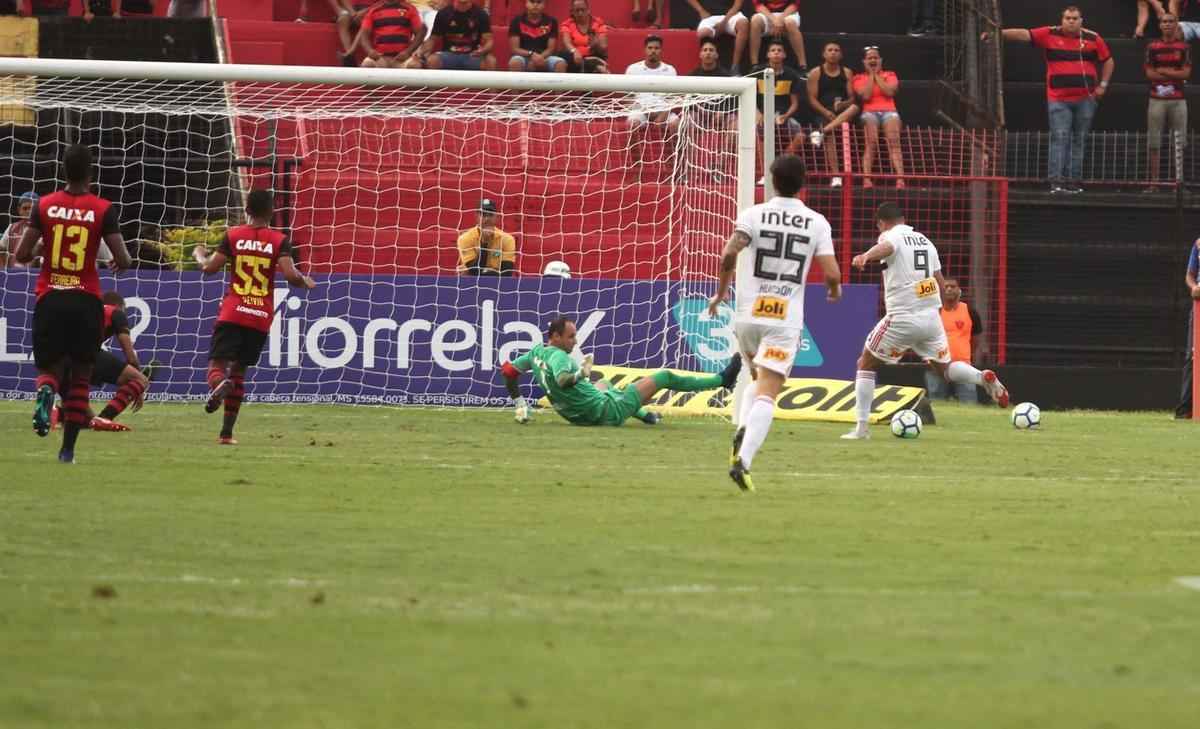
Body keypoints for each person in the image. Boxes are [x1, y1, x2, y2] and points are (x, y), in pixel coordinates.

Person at [707, 154, 841, 491]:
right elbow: (832, 273)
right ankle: (745, 459)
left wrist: (721, 294)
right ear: (804, 183)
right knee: (769, 389)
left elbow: (728, 254)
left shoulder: (753, 214)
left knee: (756, 378)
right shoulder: (816, 222)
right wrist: (834, 289)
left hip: (748, 315)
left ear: (771, 180)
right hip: (784, 318)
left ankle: (742, 428)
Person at [841, 203, 1009, 440]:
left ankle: (861, 429)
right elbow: (940, 282)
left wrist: (866, 256)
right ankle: (981, 378)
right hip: (931, 317)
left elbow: (887, 247)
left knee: (865, 364)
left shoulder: (891, 235)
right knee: (945, 369)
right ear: (904, 218)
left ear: (882, 222)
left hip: (902, 316)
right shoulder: (925, 241)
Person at [13, 144, 133, 463]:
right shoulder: (103, 208)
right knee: (81, 375)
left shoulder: (45, 205)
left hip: (51, 297)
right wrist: (117, 262)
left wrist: (44, 251)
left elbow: (21, 255)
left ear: (63, 171)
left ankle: (44, 391)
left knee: (49, 368)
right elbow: (123, 258)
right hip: (86, 301)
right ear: (90, 172)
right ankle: (67, 451)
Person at [193, 189, 316, 445]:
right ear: (271, 211)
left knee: (217, 366)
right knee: (240, 370)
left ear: (247, 210)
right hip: (259, 316)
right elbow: (291, 277)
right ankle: (226, 434)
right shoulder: (279, 240)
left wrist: (198, 254)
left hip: (233, 311)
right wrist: (304, 281)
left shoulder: (234, 236)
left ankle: (219, 384)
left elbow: (209, 269)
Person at [501, 316, 742, 427]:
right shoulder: (559, 356)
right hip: (604, 412)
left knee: (603, 383)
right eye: (570, 336)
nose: (574, 341)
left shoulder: (534, 353)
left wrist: (520, 403)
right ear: (554, 337)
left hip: (575, 416)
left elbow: (509, 372)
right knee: (664, 377)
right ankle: (722, 379)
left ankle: (645, 415)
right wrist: (580, 375)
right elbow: (564, 381)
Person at [989, 6, 1113, 194]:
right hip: (1059, 100)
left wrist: (1103, 85)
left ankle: (1074, 182)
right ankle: (1056, 182)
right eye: (1068, 18)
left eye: (1075, 18)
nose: (1071, 21)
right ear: (1062, 20)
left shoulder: (1093, 38)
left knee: (1079, 140)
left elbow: (1109, 60)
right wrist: (997, 34)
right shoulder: (1049, 33)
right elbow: (1023, 34)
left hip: (1086, 99)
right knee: (1060, 139)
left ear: (1081, 21)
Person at [54, 290, 151, 432]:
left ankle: (59, 413)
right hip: (84, 352)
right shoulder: (115, 312)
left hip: (58, 360)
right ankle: (105, 418)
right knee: (141, 380)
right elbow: (130, 356)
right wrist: (139, 385)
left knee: (86, 420)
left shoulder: (85, 311)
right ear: (120, 306)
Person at [794, 41, 858, 188]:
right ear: (824, 54)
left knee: (854, 108)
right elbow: (812, 98)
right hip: (822, 111)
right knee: (831, 136)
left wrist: (843, 104)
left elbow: (852, 98)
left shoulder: (847, 72)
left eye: (836, 50)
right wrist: (826, 112)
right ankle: (836, 176)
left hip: (842, 110)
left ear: (841, 55)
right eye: (830, 50)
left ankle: (821, 132)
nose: (833, 52)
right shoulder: (816, 72)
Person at [1145, 13, 1190, 187]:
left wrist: (1163, 71)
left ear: (1176, 24)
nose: (1167, 24)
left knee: (1179, 142)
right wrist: (1174, 73)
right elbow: (1149, 73)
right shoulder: (1152, 47)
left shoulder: (1184, 47)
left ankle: (1177, 183)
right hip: (1156, 100)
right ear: (1160, 25)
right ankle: (1154, 183)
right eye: (1164, 21)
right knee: (1154, 142)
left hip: (1179, 100)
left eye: (1171, 21)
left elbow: (1186, 74)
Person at [922, 277, 983, 404]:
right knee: (937, 405)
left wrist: (965, 355)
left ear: (959, 291)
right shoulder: (932, 312)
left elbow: (976, 339)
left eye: (953, 287)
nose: (949, 289)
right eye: (946, 287)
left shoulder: (970, 312)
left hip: (963, 366)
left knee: (969, 404)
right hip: (936, 366)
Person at [853, 46, 905, 189]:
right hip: (869, 112)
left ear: (881, 60)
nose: (873, 60)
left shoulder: (890, 74)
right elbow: (866, 96)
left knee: (894, 141)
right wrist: (871, 76)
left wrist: (877, 75)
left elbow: (889, 92)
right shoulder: (858, 78)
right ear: (864, 61)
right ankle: (867, 179)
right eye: (869, 58)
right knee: (871, 142)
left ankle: (900, 178)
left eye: (875, 57)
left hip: (889, 111)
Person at [754, 40, 804, 182]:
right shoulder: (757, 72)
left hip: (782, 115)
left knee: (800, 134)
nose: (776, 53)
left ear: (784, 55)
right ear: (768, 55)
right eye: (773, 50)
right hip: (760, 114)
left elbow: (794, 103)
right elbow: (749, 96)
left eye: (779, 50)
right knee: (759, 132)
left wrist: (786, 116)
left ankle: (778, 167)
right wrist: (758, 114)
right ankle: (764, 173)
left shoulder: (791, 75)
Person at [626, 34, 680, 139]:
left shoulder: (670, 70)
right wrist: (642, 110)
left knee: (676, 124)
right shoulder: (633, 69)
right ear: (645, 50)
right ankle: (634, 156)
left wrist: (662, 115)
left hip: (663, 111)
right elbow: (627, 97)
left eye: (656, 48)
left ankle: (677, 155)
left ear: (661, 50)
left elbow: (673, 98)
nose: (653, 51)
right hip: (640, 111)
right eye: (650, 48)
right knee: (632, 124)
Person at [422, 0, 496, 71]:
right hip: (448, 55)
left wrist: (482, 51)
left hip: (473, 55)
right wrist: (421, 53)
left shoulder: (481, 14)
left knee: (491, 61)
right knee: (432, 61)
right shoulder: (443, 13)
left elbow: (489, 41)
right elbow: (432, 39)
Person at [456, 199, 516, 276]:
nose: (487, 219)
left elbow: (506, 273)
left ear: (497, 217)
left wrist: (481, 272)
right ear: (477, 216)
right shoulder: (465, 239)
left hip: (499, 285)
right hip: (472, 284)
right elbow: (475, 271)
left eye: (490, 215)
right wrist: (484, 243)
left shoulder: (507, 239)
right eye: (484, 214)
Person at [358, 0, 424, 69]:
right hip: (379, 58)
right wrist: (370, 51)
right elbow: (364, 35)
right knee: (367, 64)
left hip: (402, 59)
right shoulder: (373, 10)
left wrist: (408, 52)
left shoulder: (410, 9)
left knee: (414, 65)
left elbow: (420, 33)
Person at [687, 0, 748, 76]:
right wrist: (701, 10)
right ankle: (701, 69)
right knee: (702, 33)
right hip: (710, 16)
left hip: (731, 15)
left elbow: (737, 5)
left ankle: (735, 67)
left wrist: (724, 22)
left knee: (743, 23)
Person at [1177, 235, 1200, 418]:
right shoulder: (1199, 244)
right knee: (1193, 355)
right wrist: (1193, 288)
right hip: (1199, 307)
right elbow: (1190, 275)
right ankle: (1185, 410)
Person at [508, 0, 566, 72]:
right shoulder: (516, 21)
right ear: (526, 3)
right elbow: (515, 49)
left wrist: (539, 58)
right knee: (515, 62)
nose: (535, 5)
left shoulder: (552, 21)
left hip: (545, 57)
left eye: (539, 2)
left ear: (544, 4)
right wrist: (532, 55)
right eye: (532, 2)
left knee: (560, 63)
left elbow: (551, 48)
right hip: (524, 56)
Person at [748, 0, 805, 71]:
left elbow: (795, 5)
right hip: (767, 14)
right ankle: (754, 65)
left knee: (790, 22)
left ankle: (802, 66)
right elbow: (758, 5)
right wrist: (774, 19)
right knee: (755, 20)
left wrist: (780, 19)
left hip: (788, 13)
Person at [560, 0, 608, 73]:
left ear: (588, 10)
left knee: (597, 60)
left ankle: (592, 64)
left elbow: (603, 47)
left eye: (583, 10)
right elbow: (567, 43)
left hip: (594, 55)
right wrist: (575, 51)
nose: (580, 13)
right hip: (575, 59)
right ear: (572, 12)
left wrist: (596, 44)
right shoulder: (567, 24)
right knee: (564, 55)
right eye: (577, 10)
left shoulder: (599, 23)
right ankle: (593, 65)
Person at [0, 192, 36, 268]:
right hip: (13, 273)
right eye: (25, 208)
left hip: (36, 273)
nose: (28, 211)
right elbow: (2, 249)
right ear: (19, 210)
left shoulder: (45, 228)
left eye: (32, 208)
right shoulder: (12, 227)